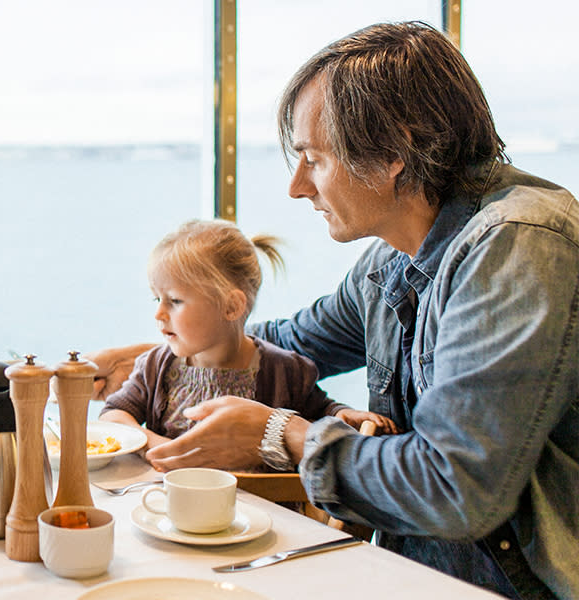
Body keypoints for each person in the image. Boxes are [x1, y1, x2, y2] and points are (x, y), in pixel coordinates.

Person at [90, 21, 577, 600]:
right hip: (409, 574)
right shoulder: (387, 264)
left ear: (394, 151)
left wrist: (284, 434)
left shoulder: (519, 245)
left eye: (313, 159)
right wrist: (161, 353)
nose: (297, 187)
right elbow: (288, 341)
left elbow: (454, 488)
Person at [98, 219, 394, 454]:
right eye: (156, 299)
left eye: (174, 301)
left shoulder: (285, 369)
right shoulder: (155, 366)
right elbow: (114, 415)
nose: (159, 314)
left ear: (231, 306)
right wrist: (153, 442)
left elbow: (319, 412)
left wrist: (342, 415)